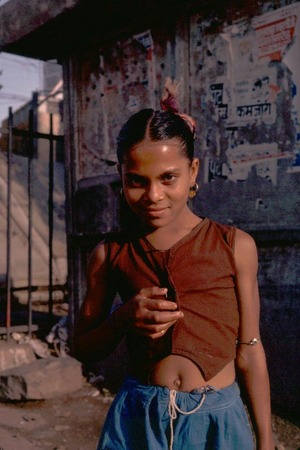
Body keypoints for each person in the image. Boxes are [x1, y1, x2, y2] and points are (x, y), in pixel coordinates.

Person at [73, 79, 275, 450]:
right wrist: (121, 318)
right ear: (121, 176)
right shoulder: (110, 253)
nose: (153, 195)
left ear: (193, 171)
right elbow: (83, 348)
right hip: (138, 420)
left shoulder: (234, 246)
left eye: (169, 178)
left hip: (218, 421)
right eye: (136, 181)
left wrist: (266, 440)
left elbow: (249, 348)